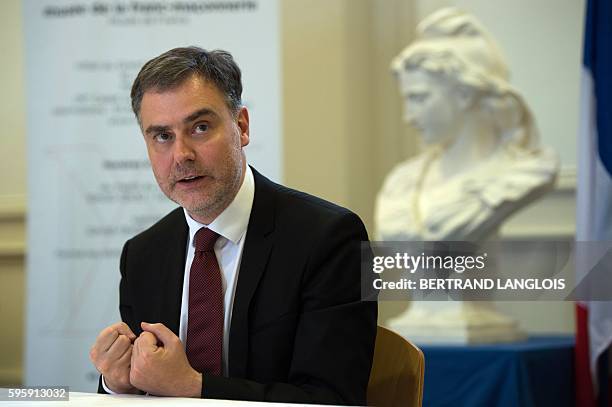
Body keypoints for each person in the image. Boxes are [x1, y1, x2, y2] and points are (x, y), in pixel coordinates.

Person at [88, 46, 377, 404]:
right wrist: (119, 383)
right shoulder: (142, 255)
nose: (181, 155)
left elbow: (333, 399)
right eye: (162, 136)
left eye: (200, 127)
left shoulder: (332, 238)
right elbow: (148, 384)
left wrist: (193, 386)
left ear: (241, 127)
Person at [375, 8, 558, 243]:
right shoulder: (402, 180)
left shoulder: (524, 173)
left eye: (419, 99)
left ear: (464, 94)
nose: (408, 117)